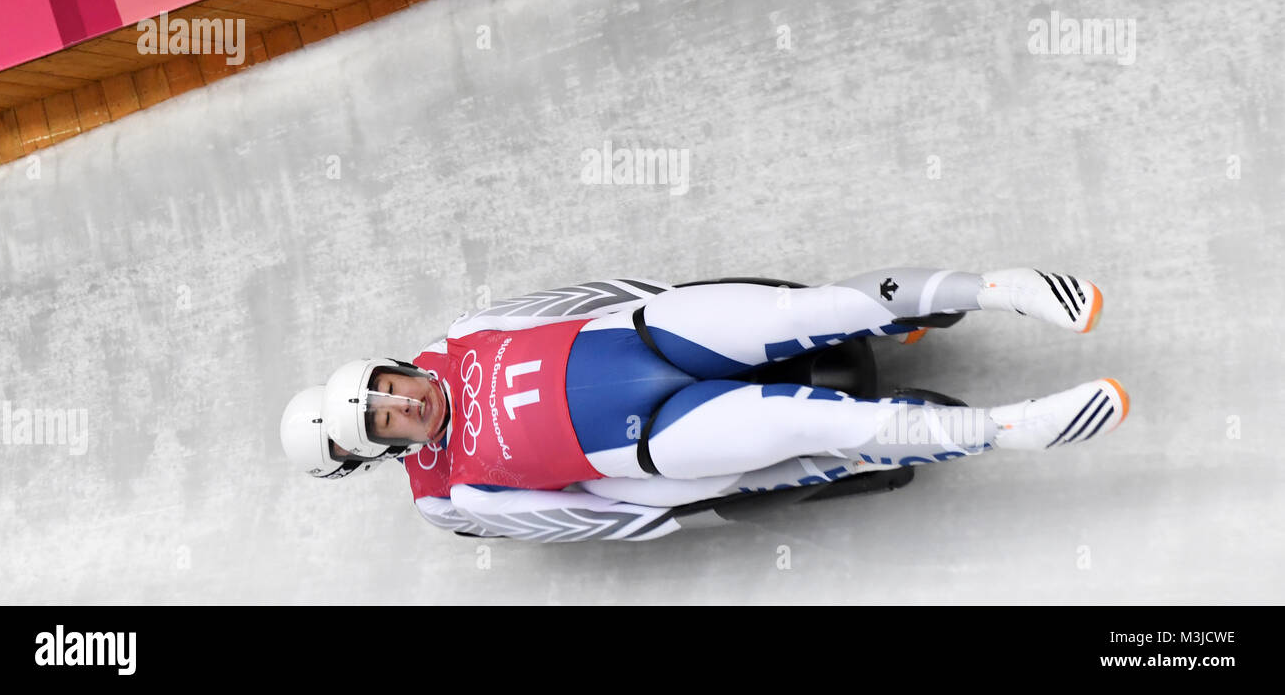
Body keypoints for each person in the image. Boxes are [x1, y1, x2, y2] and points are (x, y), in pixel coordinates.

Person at [282, 268, 1128, 541]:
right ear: (380, 452)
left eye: (389, 389)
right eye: (385, 421)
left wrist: (673, 291)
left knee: (810, 310)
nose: (404, 406)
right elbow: (572, 520)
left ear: (395, 367)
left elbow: (576, 300)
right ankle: (1009, 430)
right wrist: (690, 505)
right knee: (817, 426)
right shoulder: (451, 497)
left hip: (651, 334)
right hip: (652, 442)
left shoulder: (463, 333)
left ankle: (997, 288)